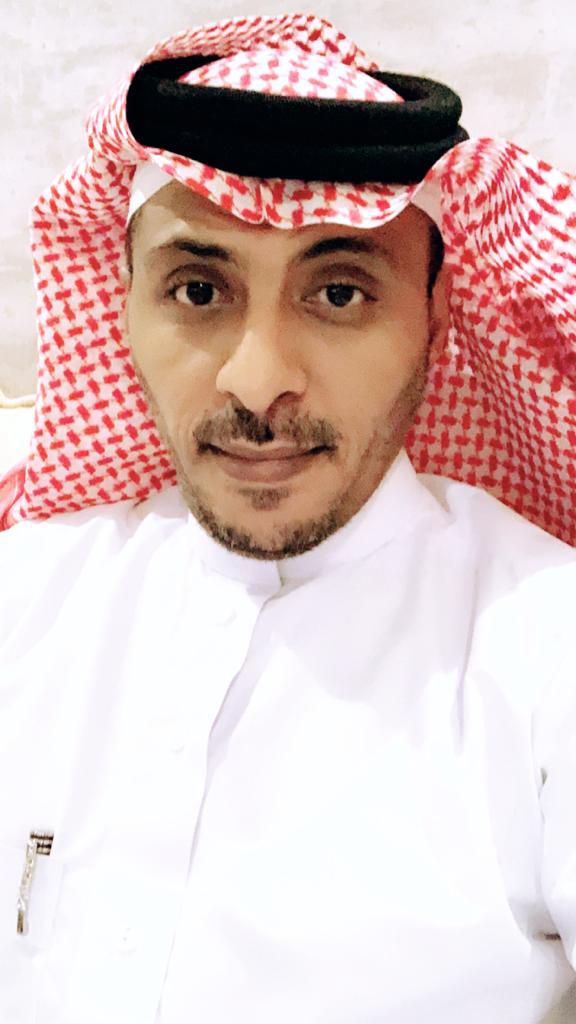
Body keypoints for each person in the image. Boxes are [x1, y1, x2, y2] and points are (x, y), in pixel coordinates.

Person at [1, 13, 576, 1024]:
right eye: (197, 289)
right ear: (122, 304)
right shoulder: (30, 596)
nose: (258, 380)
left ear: (438, 315)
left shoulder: (543, 646)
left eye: (340, 293)